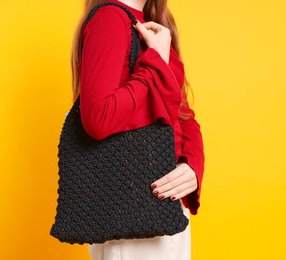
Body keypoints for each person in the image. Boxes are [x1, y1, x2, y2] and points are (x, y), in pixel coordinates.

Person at [70, 0, 205, 259]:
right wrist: (156, 60)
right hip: (132, 204)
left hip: (166, 201)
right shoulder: (110, 18)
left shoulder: (154, 24)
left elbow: (181, 114)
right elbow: (98, 118)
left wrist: (192, 166)